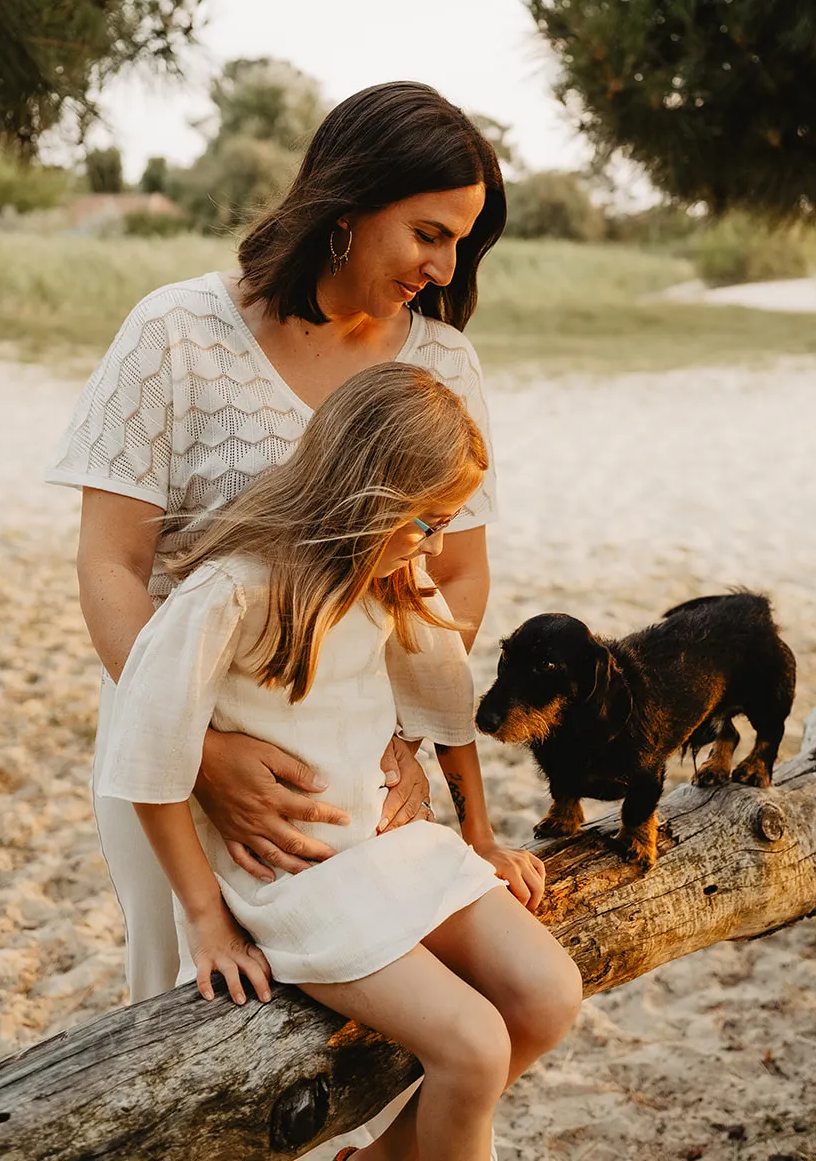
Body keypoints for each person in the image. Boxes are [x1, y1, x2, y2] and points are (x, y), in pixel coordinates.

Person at [47, 81, 508, 1005]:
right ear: (347, 207)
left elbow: (454, 573)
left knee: (393, 1025)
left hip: (353, 756)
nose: (448, 269)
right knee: (193, 1007)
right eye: (429, 233)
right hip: (172, 747)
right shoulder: (177, 335)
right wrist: (202, 757)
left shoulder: (441, 361)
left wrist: (402, 741)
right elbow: (111, 567)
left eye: (463, 240)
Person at [98, 365, 582, 1161]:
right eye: (425, 521)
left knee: (548, 996)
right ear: (371, 498)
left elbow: (445, 696)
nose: (432, 542)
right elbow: (147, 756)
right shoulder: (234, 588)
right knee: (473, 1045)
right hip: (297, 875)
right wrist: (208, 921)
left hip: (389, 844)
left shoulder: (391, 571)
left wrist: (480, 834)